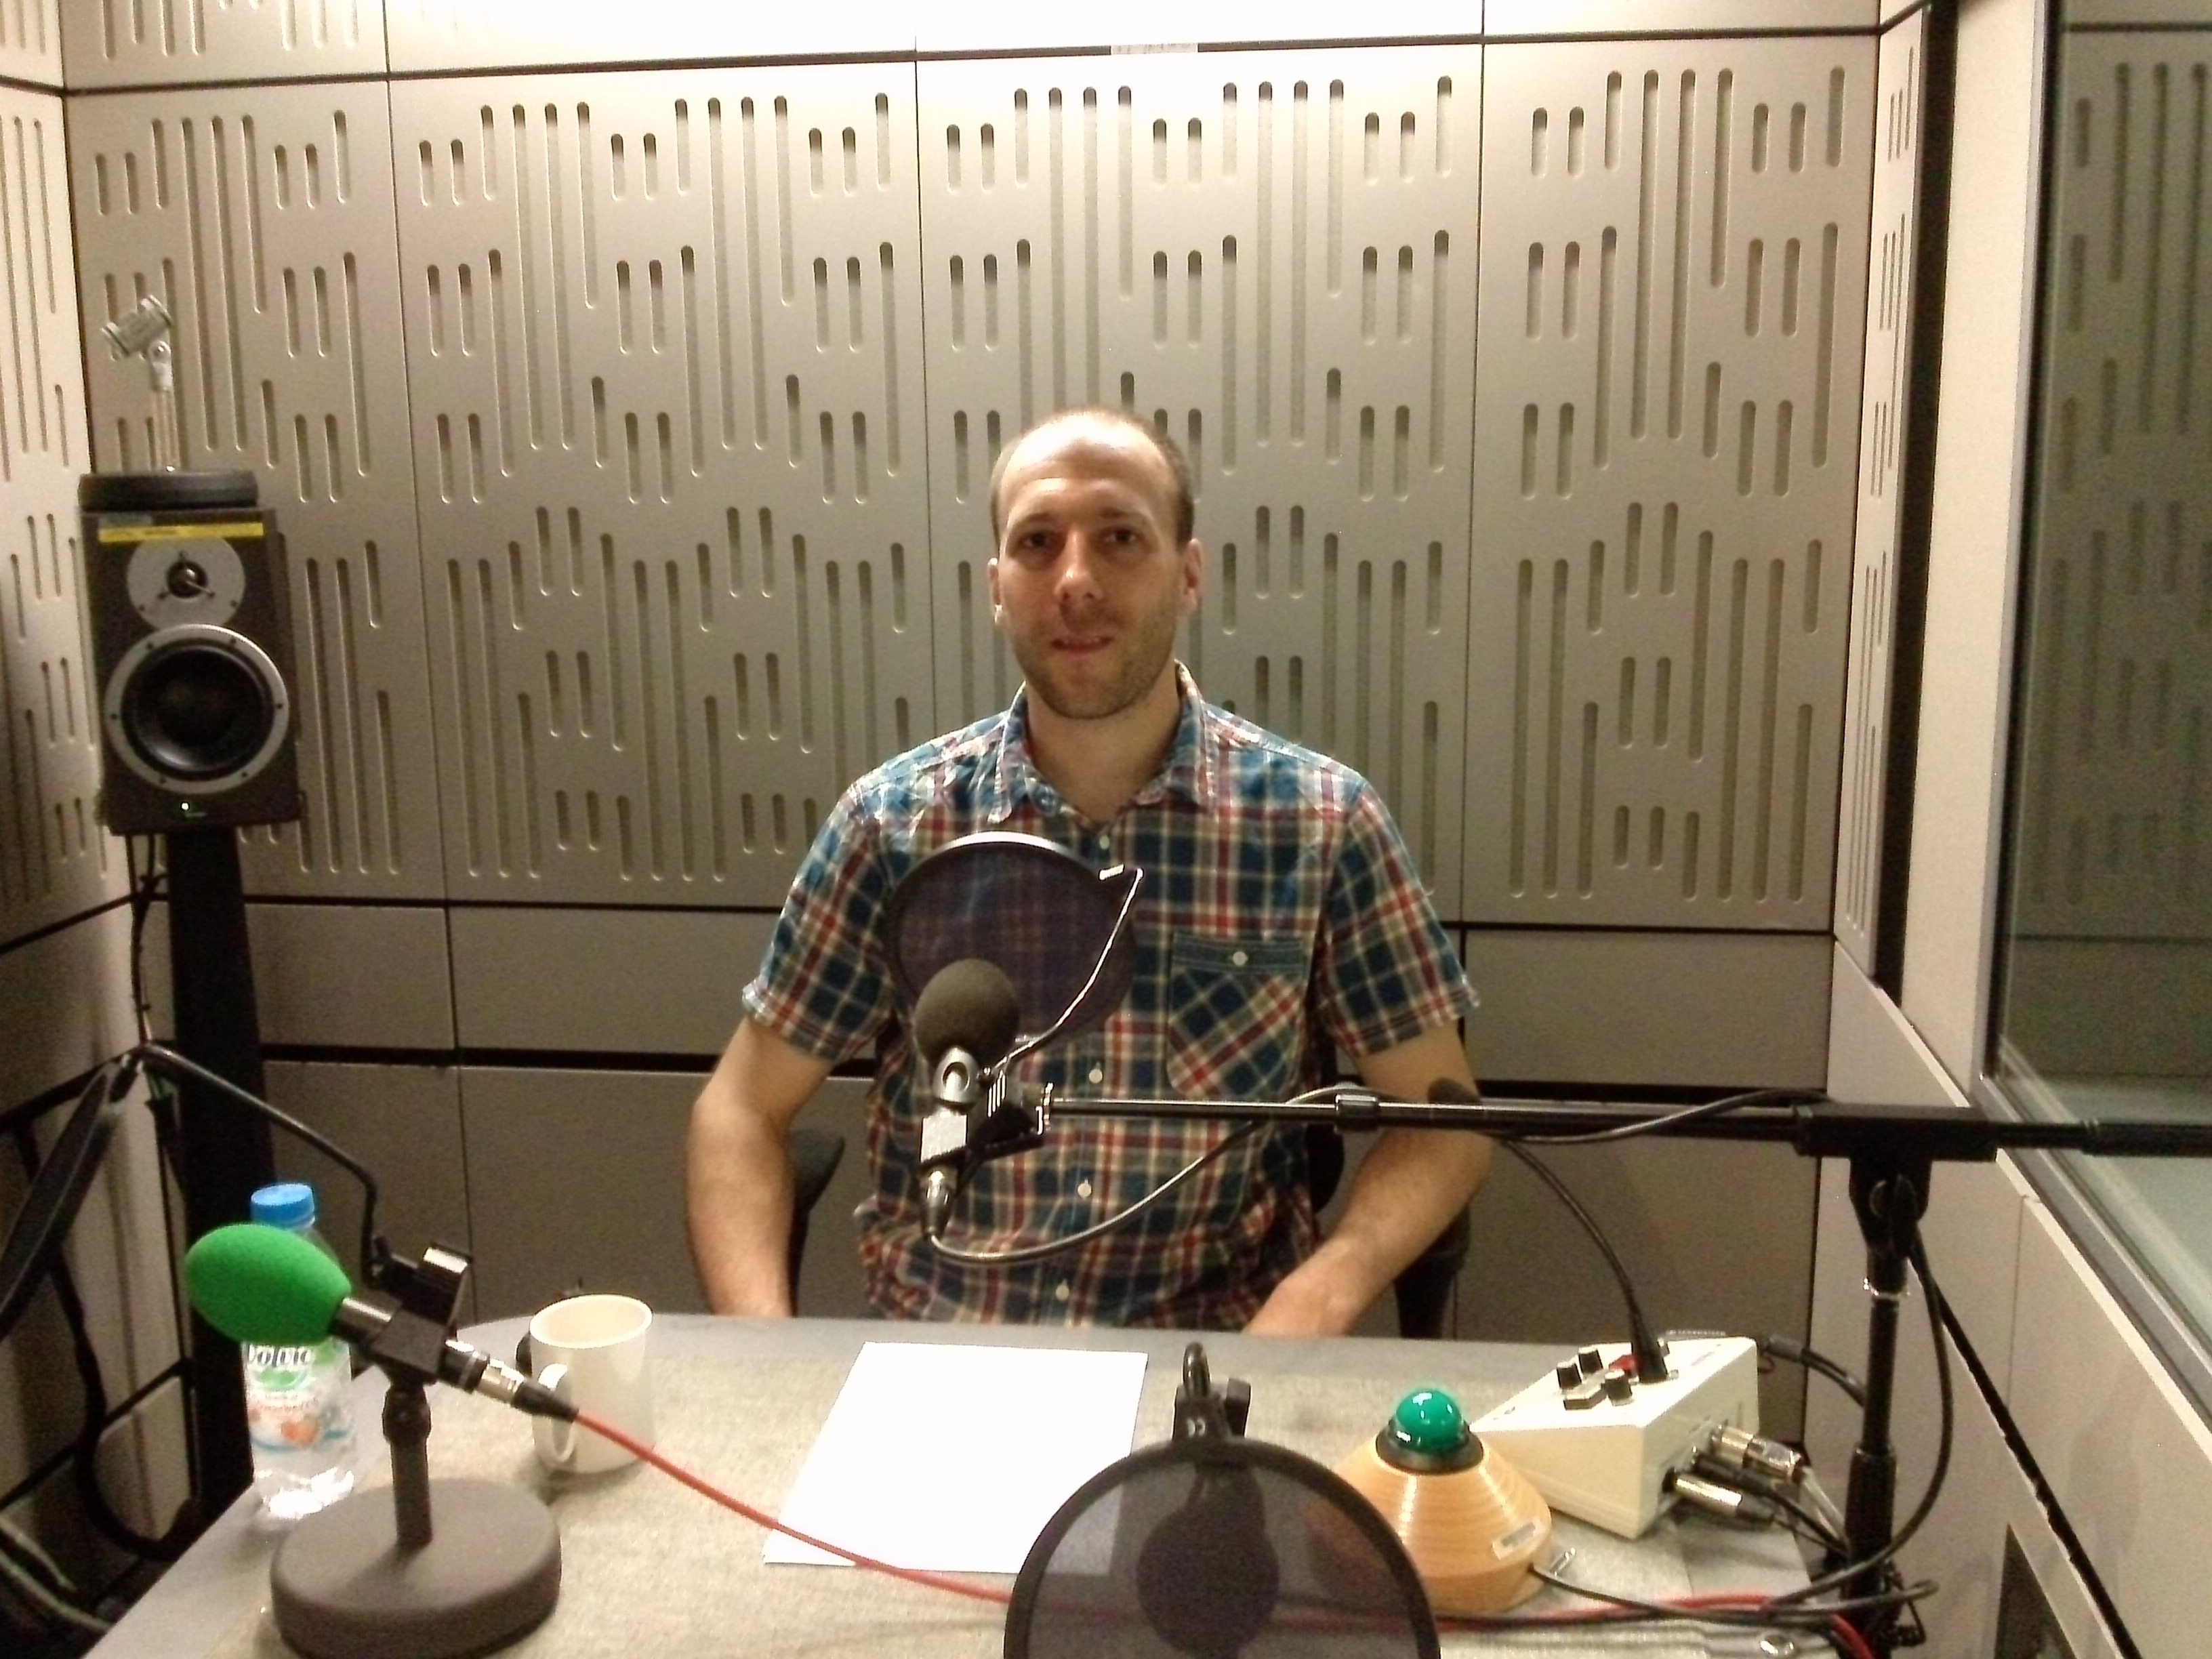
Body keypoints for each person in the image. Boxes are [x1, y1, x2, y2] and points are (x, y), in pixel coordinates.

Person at [686, 407, 1490, 1335]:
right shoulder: (892, 824)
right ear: (997, 587)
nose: (1075, 581)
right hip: (946, 1348)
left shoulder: (1320, 824)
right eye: (1038, 543)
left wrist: (1322, 1292)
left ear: (1189, 575)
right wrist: (764, 1356)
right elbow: (739, 1112)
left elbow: (1445, 1123)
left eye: (1119, 538)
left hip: (1210, 1354)